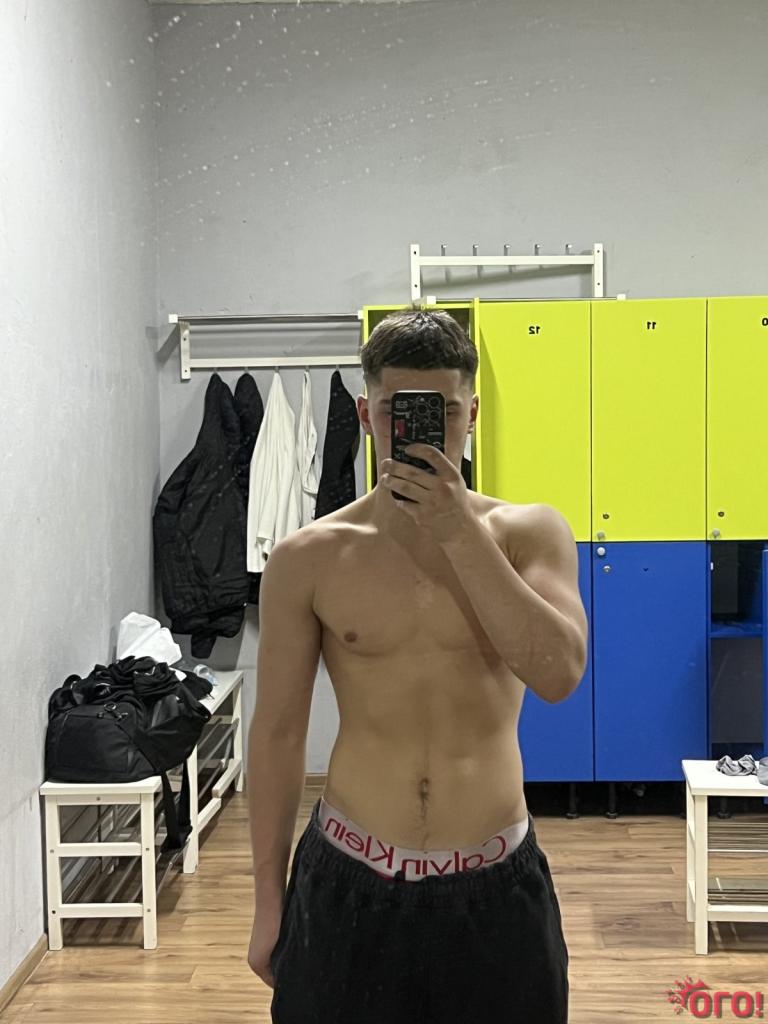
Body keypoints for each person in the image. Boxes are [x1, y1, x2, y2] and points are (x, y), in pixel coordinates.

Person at [246, 308, 588, 1023]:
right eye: (400, 412)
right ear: (367, 416)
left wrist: (459, 530)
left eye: (446, 412)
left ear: (473, 414)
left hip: (496, 885)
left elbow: (559, 674)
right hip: (348, 879)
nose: (428, 432)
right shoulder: (309, 557)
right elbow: (276, 735)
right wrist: (267, 902)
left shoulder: (529, 534)